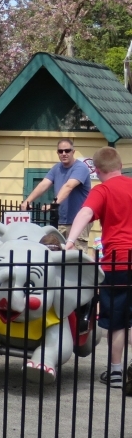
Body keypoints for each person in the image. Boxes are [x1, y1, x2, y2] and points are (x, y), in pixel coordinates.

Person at [64, 146, 132, 389]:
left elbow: (85, 212)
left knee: (117, 320)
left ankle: (115, 372)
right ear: (120, 166)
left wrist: (70, 242)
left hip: (117, 261)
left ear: (98, 171)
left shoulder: (103, 189)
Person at [20, 138, 92, 252]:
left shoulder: (80, 168)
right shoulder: (56, 168)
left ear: (73, 152)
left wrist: (52, 205)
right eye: (61, 151)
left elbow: (68, 187)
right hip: (61, 220)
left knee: (76, 256)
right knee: (58, 254)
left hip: (78, 220)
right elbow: (44, 184)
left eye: (67, 150)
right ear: (57, 153)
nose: (64, 153)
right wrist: (27, 201)